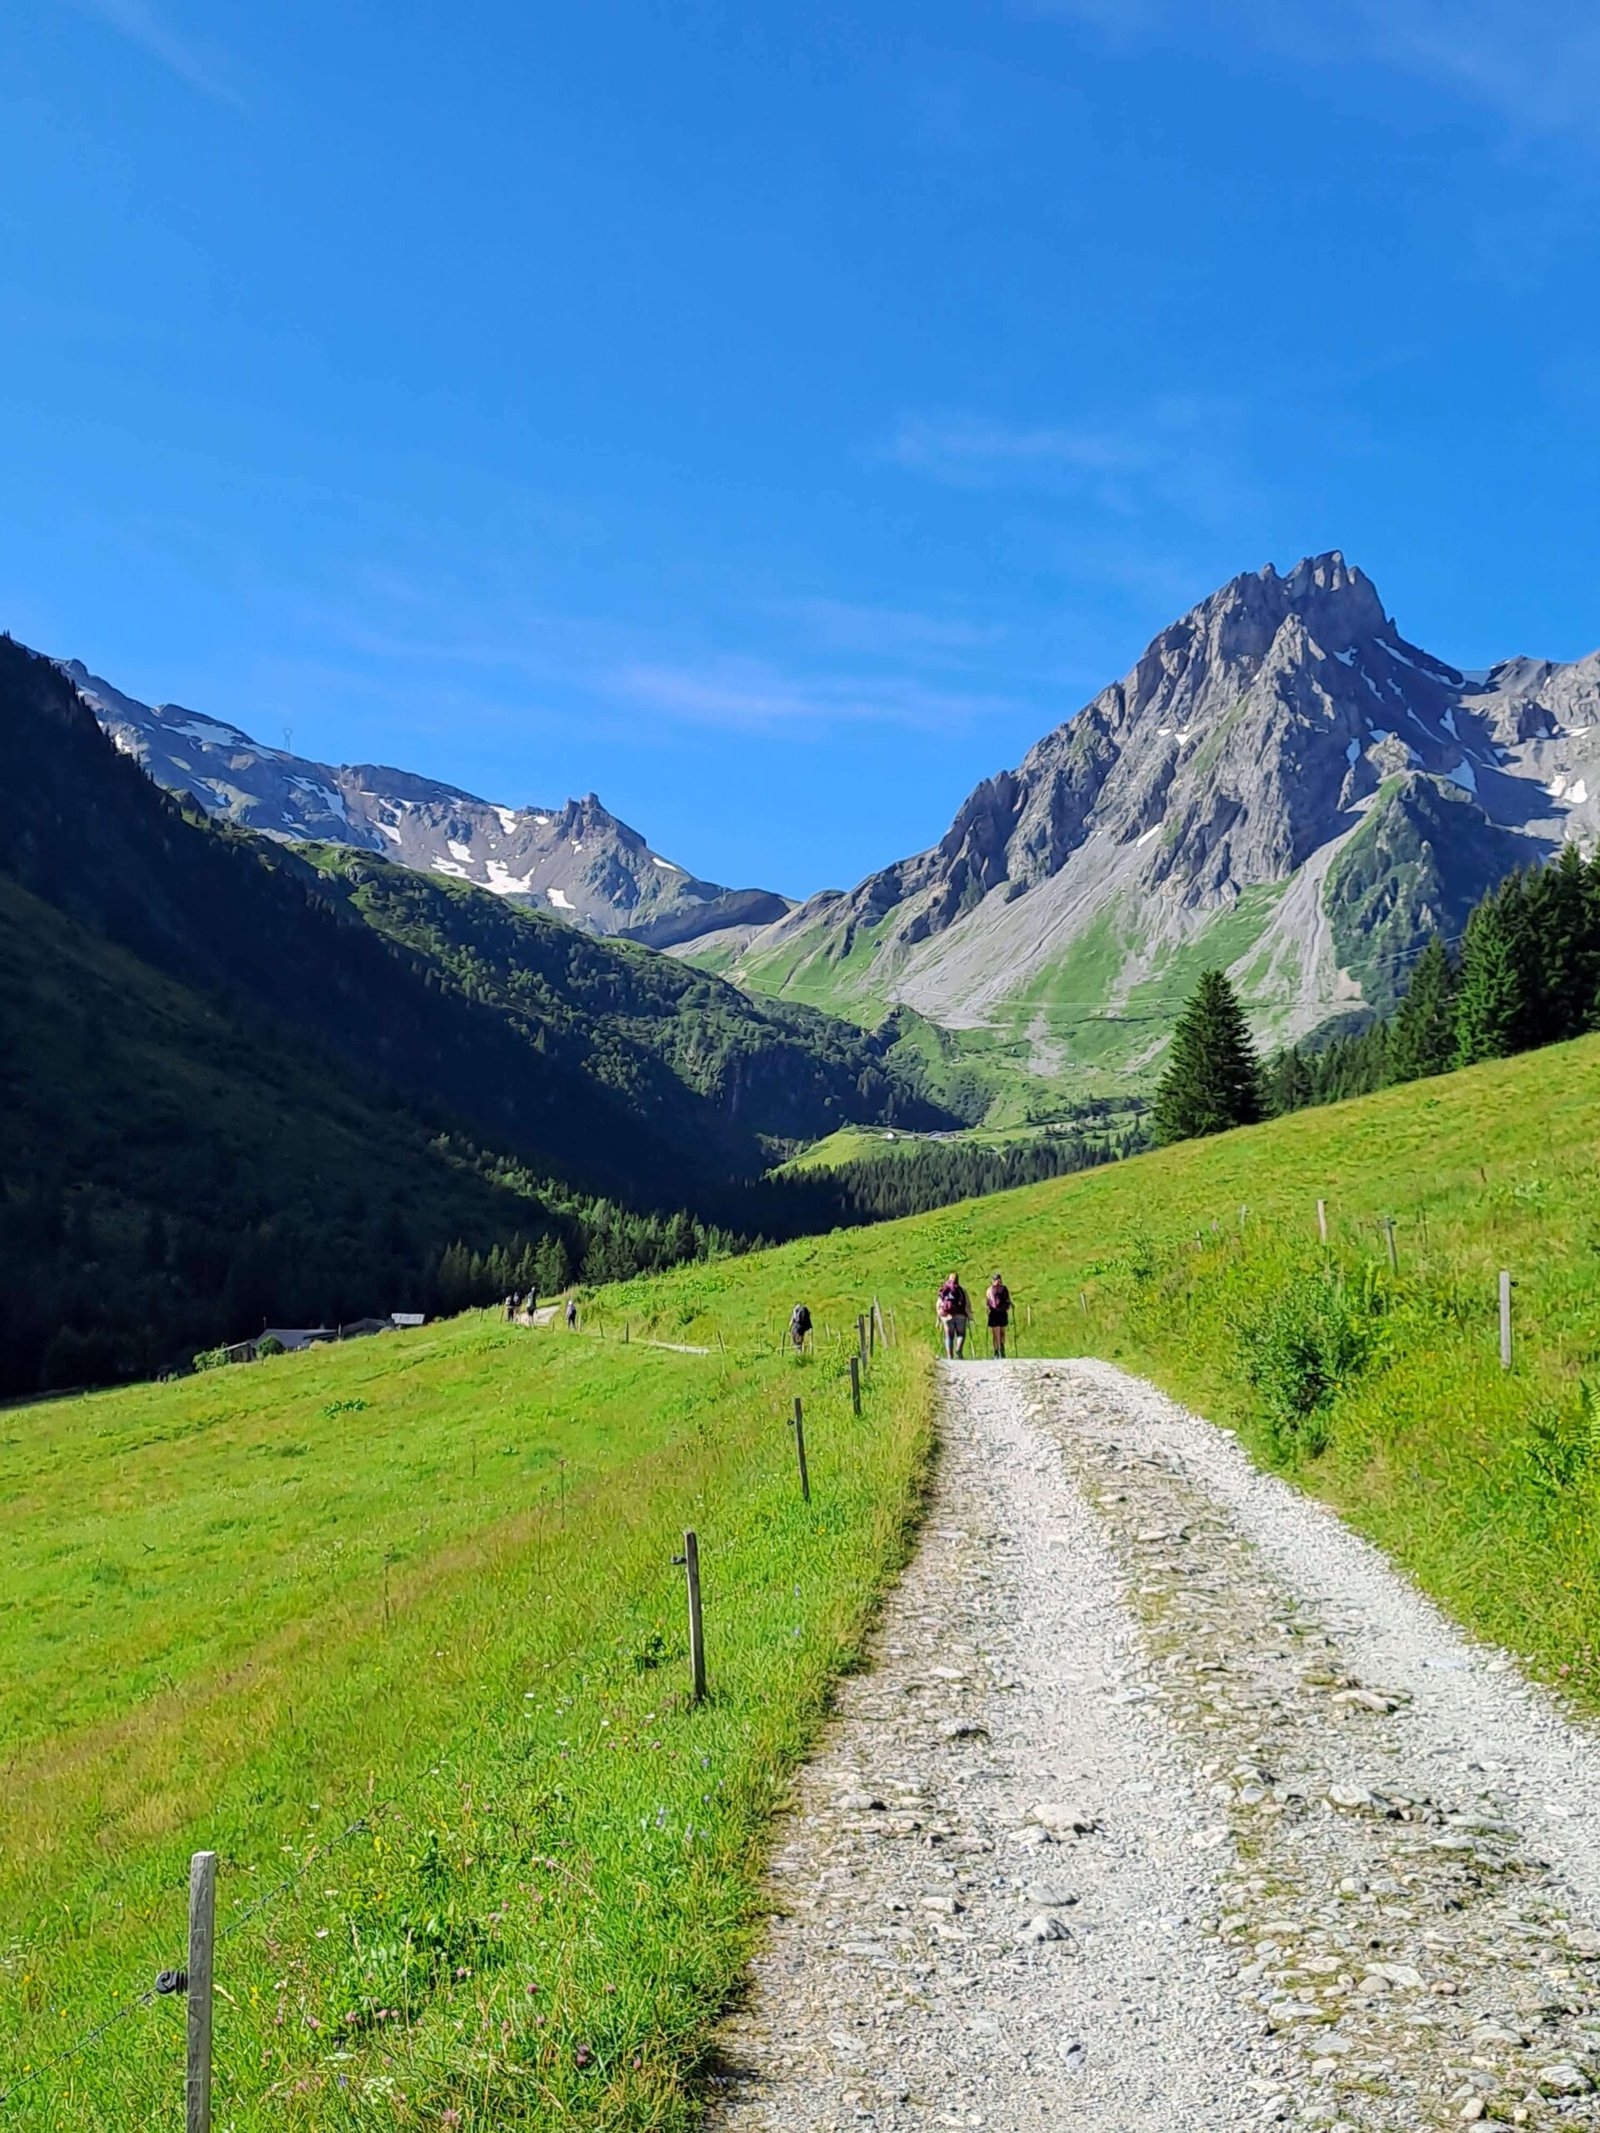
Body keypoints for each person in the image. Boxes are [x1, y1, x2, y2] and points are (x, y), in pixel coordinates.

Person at [936, 1272, 970, 1360]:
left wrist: (938, 1319)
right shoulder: (962, 1290)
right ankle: (959, 1349)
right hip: (960, 1315)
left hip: (947, 1316)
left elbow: (939, 1304)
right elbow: (967, 1304)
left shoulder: (944, 1289)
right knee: (961, 1334)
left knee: (949, 1336)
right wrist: (969, 1316)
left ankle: (949, 1356)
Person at [985, 1272, 1012, 1358]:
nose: (997, 1281)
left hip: (996, 1312)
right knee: (999, 1332)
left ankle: (999, 1350)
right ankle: (999, 1350)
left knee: (998, 1332)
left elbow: (987, 1302)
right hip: (999, 1312)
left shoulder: (991, 1290)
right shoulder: (1002, 1289)